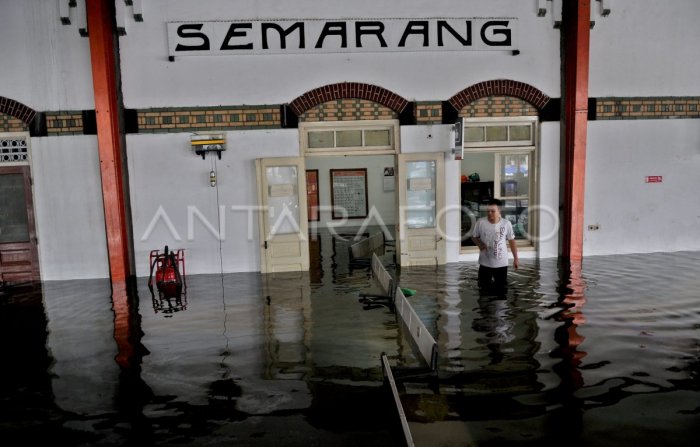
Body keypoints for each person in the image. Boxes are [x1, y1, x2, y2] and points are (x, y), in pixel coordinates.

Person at [471, 198, 519, 296]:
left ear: (499, 211)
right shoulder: (481, 222)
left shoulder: (506, 224)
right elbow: (474, 237)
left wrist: (516, 258)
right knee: (483, 291)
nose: (490, 213)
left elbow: (512, 241)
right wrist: (480, 244)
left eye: (493, 211)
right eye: (488, 211)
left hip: (501, 264)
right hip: (485, 263)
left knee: (501, 291)